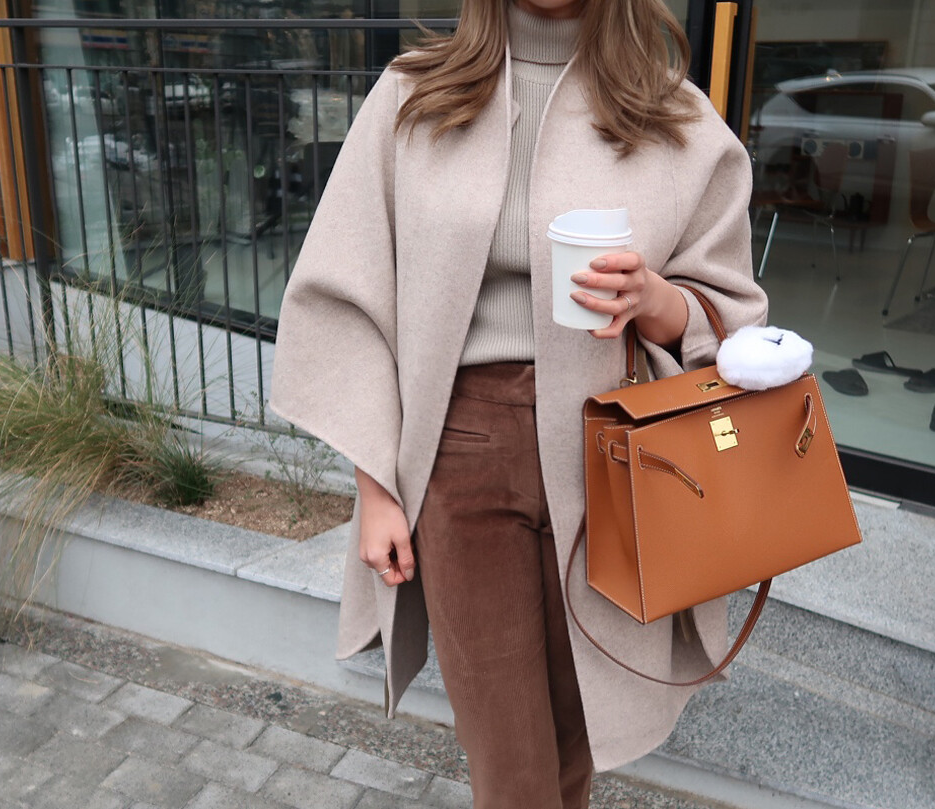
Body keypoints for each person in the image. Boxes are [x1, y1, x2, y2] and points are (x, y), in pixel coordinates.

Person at [270, 0, 768, 806]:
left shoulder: (673, 115)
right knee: (507, 753)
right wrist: (376, 486)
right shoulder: (412, 96)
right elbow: (348, 298)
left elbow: (730, 316)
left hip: (617, 460)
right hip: (460, 452)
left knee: (573, 739)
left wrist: (652, 297)